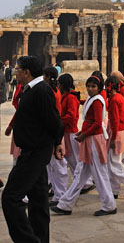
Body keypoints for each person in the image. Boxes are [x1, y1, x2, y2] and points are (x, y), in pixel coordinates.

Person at [2, 55, 64, 243]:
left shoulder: (41, 90)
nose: (15, 72)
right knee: (38, 202)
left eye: (17, 69)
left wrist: (58, 142)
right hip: (32, 150)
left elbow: (54, 121)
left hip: (36, 153)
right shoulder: (31, 89)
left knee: (10, 197)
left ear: (27, 72)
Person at [51, 74, 116, 217]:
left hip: (95, 140)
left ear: (99, 88)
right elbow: (89, 121)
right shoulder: (91, 99)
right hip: (89, 139)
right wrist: (83, 132)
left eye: (93, 86)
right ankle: (65, 204)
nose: (90, 89)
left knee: (99, 174)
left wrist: (84, 134)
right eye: (88, 86)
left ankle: (109, 204)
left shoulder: (98, 101)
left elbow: (98, 123)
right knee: (80, 174)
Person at [43, 66, 69, 206]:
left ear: (47, 76)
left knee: (58, 164)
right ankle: (56, 191)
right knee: (52, 164)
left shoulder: (52, 92)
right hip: (53, 129)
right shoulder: (54, 90)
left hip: (54, 129)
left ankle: (60, 194)